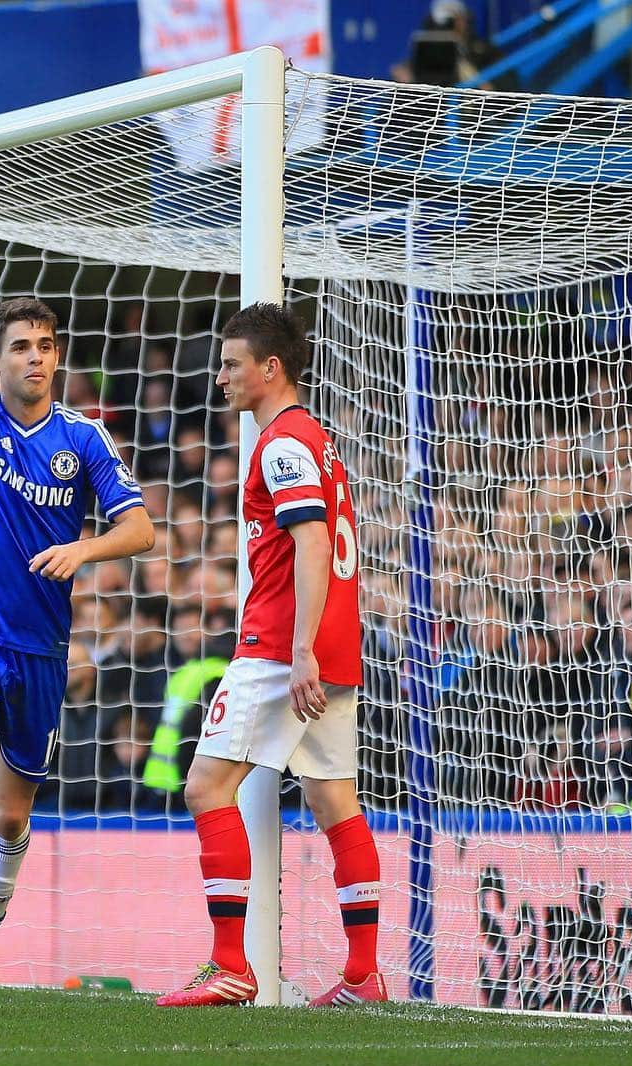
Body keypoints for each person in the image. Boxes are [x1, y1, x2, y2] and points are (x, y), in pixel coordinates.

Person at [0, 238, 154, 1012]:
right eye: (21, 347)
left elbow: (141, 529)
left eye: (46, 346)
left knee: (11, 815)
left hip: (41, 652)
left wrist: (84, 547)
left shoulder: (82, 439)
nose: (36, 359)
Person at [156, 303, 385, 1008]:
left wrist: (301, 650)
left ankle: (231, 965)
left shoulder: (283, 443)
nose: (220, 376)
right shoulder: (316, 440)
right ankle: (362, 975)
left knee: (203, 788)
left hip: (285, 645)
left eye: (231, 363)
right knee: (334, 800)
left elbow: (313, 543)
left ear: (269, 368)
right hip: (332, 643)